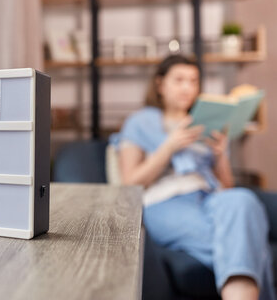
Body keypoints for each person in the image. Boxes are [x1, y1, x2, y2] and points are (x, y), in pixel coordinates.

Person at [113, 54, 275, 300]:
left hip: (210, 197)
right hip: (164, 201)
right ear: (160, 84)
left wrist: (220, 155)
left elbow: (227, 186)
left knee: (242, 199)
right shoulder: (140, 122)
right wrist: (169, 147)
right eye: (179, 80)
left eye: (193, 81)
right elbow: (130, 183)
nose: (187, 87)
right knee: (244, 240)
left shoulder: (208, 121)